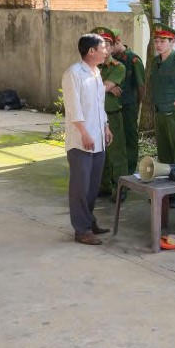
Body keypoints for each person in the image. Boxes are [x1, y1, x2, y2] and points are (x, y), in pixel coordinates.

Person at [61, 34, 113, 245]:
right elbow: (73, 107)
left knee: (92, 185)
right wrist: (84, 132)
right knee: (80, 187)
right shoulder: (74, 73)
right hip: (81, 139)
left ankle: (89, 221)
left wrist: (106, 127)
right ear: (91, 51)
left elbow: (100, 105)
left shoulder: (96, 72)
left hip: (98, 137)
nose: (106, 50)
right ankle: (81, 229)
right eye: (103, 47)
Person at [146, 23, 175, 208]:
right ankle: (166, 191)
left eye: (163, 41)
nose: (159, 44)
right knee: (164, 154)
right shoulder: (156, 63)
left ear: (172, 42)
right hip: (160, 114)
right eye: (156, 40)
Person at [92, 27, 127, 201]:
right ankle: (104, 185)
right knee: (99, 153)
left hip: (112, 114)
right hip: (94, 115)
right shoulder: (90, 67)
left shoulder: (118, 67)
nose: (103, 48)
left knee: (116, 154)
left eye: (107, 44)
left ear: (112, 47)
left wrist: (104, 88)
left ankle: (121, 188)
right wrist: (105, 88)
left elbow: (100, 88)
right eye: (99, 44)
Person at [110, 29, 146, 174]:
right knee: (115, 140)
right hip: (113, 106)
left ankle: (129, 171)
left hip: (129, 106)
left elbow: (141, 86)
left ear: (118, 42)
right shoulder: (111, 60)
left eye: (110, 46)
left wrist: (137, 106)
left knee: (130, 138)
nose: (107, 50)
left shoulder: (133, 59)